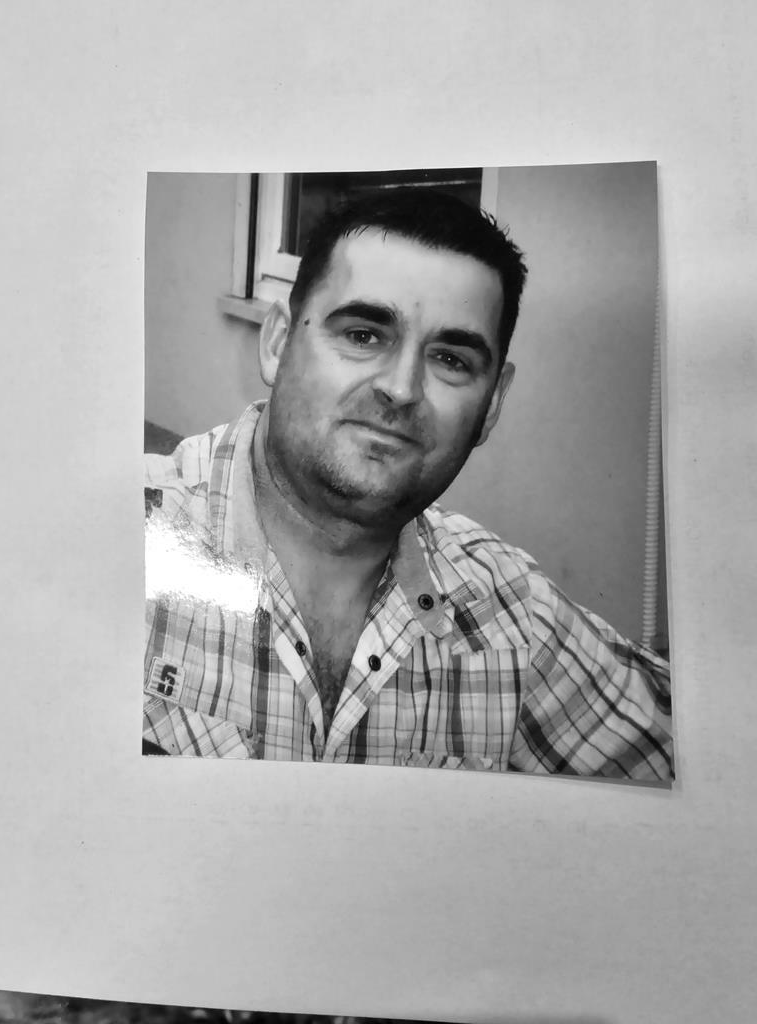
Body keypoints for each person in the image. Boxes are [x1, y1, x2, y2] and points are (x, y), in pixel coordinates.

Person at [143, 187, 673, 779]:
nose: (400, 389)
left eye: (451, 360)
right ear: (277, 342)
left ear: (493, 405)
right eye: (363, 335)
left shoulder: (513, 615)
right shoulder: (117, 541)